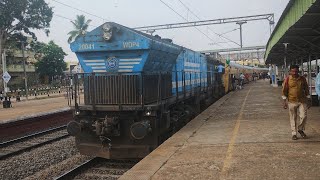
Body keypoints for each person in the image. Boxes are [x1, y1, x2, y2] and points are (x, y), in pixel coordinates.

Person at [282, 65, 311, 140]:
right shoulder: (288, 79)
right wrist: (284, 101)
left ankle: (300, 129)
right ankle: (294, 133)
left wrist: (309, 99)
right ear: (290, 71)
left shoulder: (302, 79)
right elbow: (284, 90)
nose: (294, 73)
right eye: (293, 71)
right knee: (293, 117)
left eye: (296, 71)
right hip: (292, 101)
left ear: (298, 71)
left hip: (302, 100)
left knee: (304, 115)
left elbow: (306, 89)